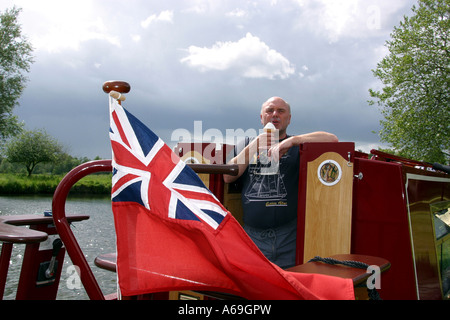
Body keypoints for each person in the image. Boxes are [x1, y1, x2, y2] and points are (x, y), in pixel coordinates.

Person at [223, 97, 338, 268]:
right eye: (269, 111)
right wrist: (254, 146)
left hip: (289, 237)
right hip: (252, 237)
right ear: (261, 118)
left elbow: (332, 139)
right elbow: (228, 176)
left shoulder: (298, 146)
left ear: (289, 118)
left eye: (281, 111)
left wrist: (293, 141)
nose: (275, 114)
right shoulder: (246, 144)